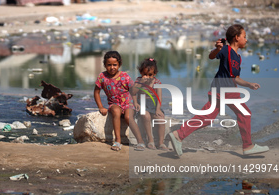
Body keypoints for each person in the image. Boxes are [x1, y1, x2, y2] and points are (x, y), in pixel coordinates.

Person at [168, 24, 269, 156]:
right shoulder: (226, 50)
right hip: (224, 90)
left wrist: (249, 85)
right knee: (245, 113)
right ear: (237, 37)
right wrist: (217, 49)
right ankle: (248, 146)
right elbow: (211, 56)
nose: (246, 39)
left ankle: (178, 135)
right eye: (245, 37)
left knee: (208, 117)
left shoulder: (238, 57)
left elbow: (235, 78)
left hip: (224, 89)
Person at [94, 51, 145, 151]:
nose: (112, 67)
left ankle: (140, 141)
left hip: (128, 103)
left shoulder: (124, 76)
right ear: (104, 65)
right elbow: (96, 92)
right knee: (116, 112)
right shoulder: (102, 77)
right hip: (114, 103)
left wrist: (136, 102)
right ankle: (118, 140)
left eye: (115, 65)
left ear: (119, 64)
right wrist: (100, 107)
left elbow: (133, 91)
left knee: (128, 117)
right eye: (109, 65)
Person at [132, 58, 170, 151]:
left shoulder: (157, 82)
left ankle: (161, 142)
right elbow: (133, 92)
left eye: (150, 75)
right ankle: (150, 139)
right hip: (143, 104)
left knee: (161, 118)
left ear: (155, 74)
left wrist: (158, 109)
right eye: (145, 74)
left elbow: (159, 97)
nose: (147, 77)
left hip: (153, 105)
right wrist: (136, 102)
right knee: (146, 116)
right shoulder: (139, 80)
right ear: (141, 73)